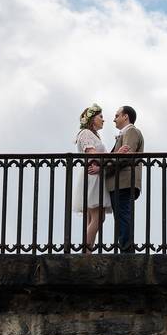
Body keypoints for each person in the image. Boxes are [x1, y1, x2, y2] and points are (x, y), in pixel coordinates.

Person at [73, 103, 111, 253]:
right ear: (92, 119)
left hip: (95, 175)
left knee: (92, 217)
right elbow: (93, 154)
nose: (103, 120)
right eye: (100, 117)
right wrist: (115, 156)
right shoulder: (86, 134)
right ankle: (86, 250)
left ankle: (87, 252)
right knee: (98, 216)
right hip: (93, 175)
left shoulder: (93, 135)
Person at [106, 105, 143, 253]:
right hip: (120, 182)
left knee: (123, 217)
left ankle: (127, 251)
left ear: (125, 116)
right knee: (121, 217)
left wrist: (103, 168)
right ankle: (125, 248)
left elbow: (126, 157)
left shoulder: (131, 131)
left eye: (117, 115)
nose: (114, 119)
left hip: (123, 182)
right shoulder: (125, 133)